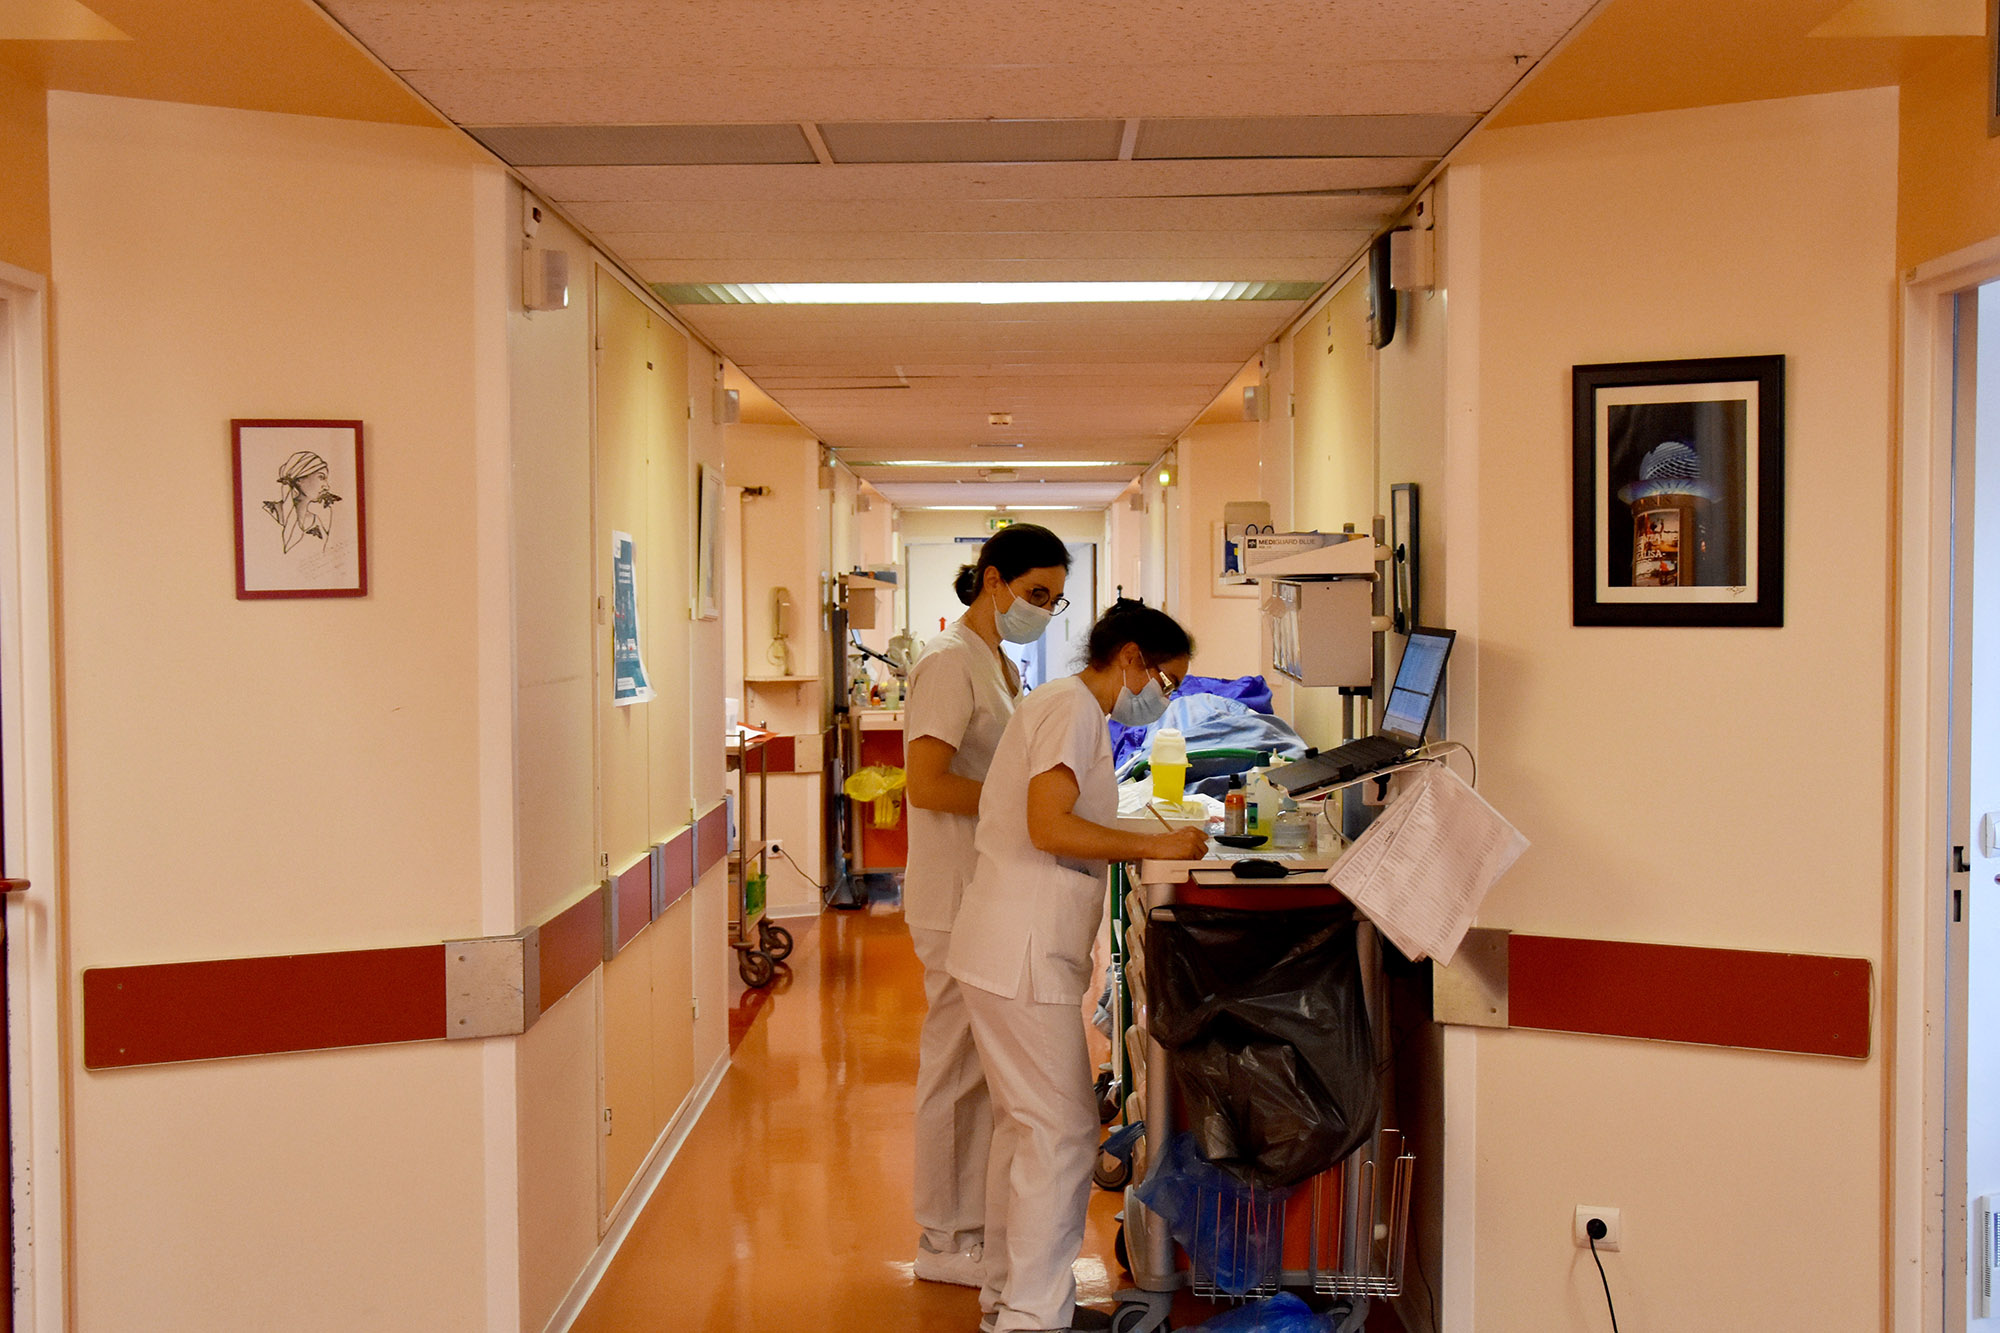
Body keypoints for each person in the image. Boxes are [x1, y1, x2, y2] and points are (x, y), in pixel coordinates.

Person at [948, 600, 1210, 1333]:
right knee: (1060, 1135)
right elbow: (1049, 824)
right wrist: (1155, 847)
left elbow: (1073, 820)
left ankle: (1010, 1298)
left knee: (1024, 1130)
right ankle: (1033, 1316)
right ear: (1129, 657)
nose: (1166, 695)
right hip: (1019, 950)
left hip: (1010, 946)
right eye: (1167, 678)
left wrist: (1156, 832)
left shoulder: (1072, 710)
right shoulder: (1069, 709)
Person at [902, 523, 1074, 1287]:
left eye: (1056, 600)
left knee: (978, 1069)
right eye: (1036, 593)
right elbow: (926, 783)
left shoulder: (998, 661)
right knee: (954, 1064)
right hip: (950, 894)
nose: (1042, 609)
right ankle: (942, 1238)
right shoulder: (947, 664)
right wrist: (1016, 800)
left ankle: (969, 1226)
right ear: (994, 579)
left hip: (983, 893)